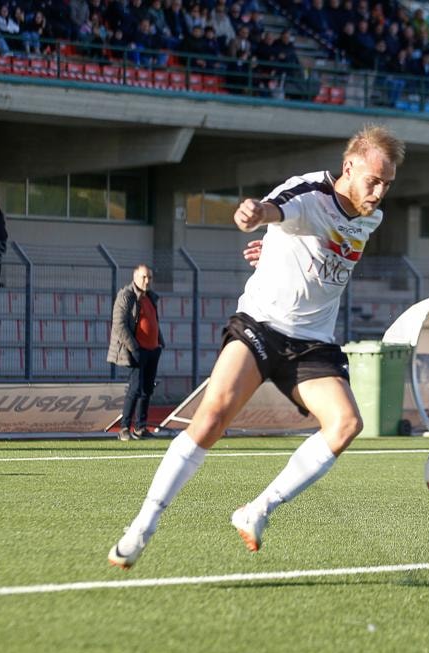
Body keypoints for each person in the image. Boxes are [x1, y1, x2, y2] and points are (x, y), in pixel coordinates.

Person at [108, 125, 405, 569]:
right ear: (350, 167)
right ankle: (142, 526)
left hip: (312, 343)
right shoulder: (308, 193)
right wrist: (255, 216)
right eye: (373, 181)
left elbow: (316, 250)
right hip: (261, 327)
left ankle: (257, 510)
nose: (379, 192)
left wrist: (270, 250)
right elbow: (277, 210)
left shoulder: (371, 217)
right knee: (211, 418)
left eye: (387, 184)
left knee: (345, 425)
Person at [107, 264, 165, 442]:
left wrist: (160, 342)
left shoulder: (150, 297)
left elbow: (153, 321)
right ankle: (124, 428)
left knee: (147, 390)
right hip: (137, 350)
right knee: (135, 389)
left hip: (152, 349)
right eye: (144, 277)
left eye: (150, 278)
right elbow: (119, 324)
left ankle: (140, 427)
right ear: (135, 276)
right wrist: (135, 347)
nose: (147, 281)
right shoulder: (126, 296)